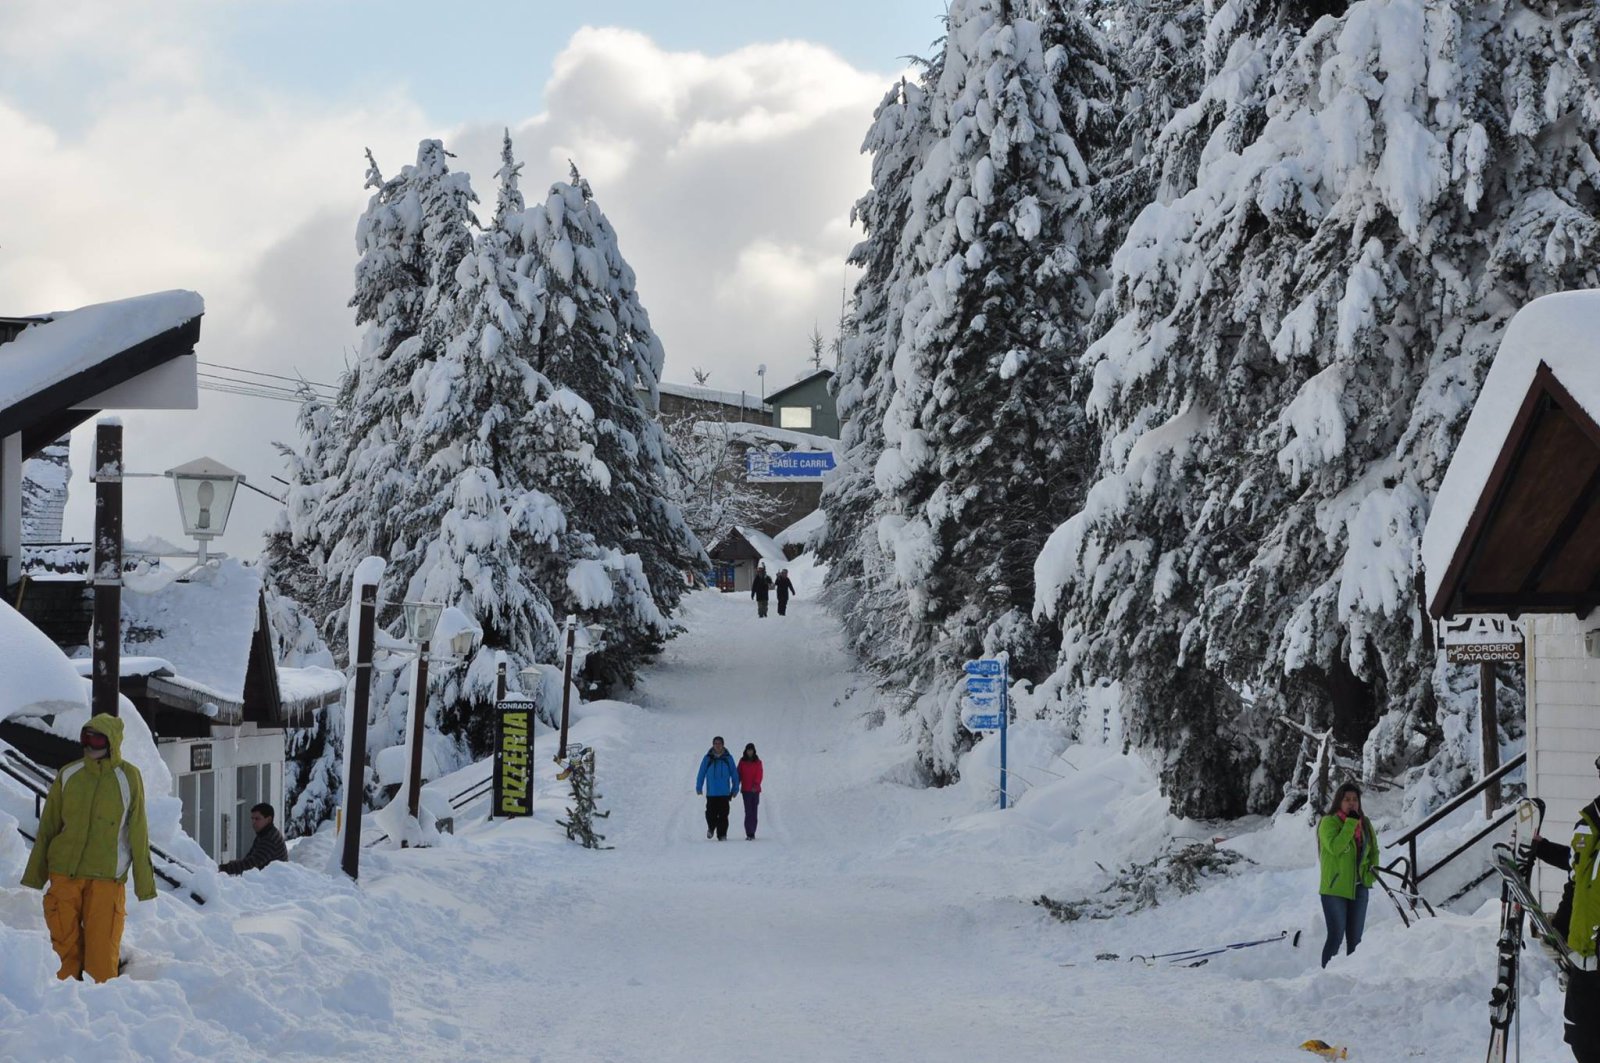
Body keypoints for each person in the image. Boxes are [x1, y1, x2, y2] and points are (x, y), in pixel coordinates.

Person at [20, 713, 158, 982]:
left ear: (112, 742)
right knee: (62, 950)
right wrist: (35, 875)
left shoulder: (128, 777)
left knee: (101, 955)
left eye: (95, 739)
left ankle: (99, 1012)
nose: (88, 745)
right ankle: (63, 1008)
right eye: (85, 738)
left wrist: (144, 883)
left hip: (106, 878)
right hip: (64, 874)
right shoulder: (69, 774)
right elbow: (48, 826)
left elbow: (138, 830)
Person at [1531, 755, 1600, 1062]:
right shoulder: (1587, 824)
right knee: (1582, 1040)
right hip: (1584, 964)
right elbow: (1577, 877)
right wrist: (1559, 928)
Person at [1316, 781, 1378, 968]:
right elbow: (1335, 847)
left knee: (1356, 940)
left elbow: (1374, 851)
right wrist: (1350, 823)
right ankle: (1325, 976)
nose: (1351, 803)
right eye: (1347, 800)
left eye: (1355, 800)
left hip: (1360, 889)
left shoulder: (1365, 823)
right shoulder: (1329, 822)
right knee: (1336, 936)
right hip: (1335, 890)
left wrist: (1371, 873)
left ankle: (1352, 977)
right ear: (1339, 802)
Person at [220, 802, 289, 875]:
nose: (253, 822)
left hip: (273, 882)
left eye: (257, 819)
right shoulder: (264, 834)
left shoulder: (270, 839)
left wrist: (223, 868)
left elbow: (252, 864)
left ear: (268, 819)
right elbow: (249, 858)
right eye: (252, 819)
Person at [695, 736, 740, 841]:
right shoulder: (708, 758)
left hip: (724, 793)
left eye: (719, 743)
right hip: (712, 793)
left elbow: (734, 774)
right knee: (710, 813)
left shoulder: (728, 758)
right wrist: (699, 786)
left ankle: (722, 834)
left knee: (724, 815)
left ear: (723, 745)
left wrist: (735, 789)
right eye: (715, 743)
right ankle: (711, 827)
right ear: (713, 745)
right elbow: (701, 772)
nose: (717, 745)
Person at [738, 743, 764, 840]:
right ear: (746, 751)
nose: (750, 752)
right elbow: (738, 773)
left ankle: (753, 830)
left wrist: (756, 784)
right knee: (748, 812)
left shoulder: (758, 762)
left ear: (754, 751)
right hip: (746, 790)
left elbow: (759, 774)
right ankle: (749, 832)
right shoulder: (742, 761)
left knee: (754, 811)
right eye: (748, 750)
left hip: (755, 791)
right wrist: (736, 784)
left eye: (751, 750)